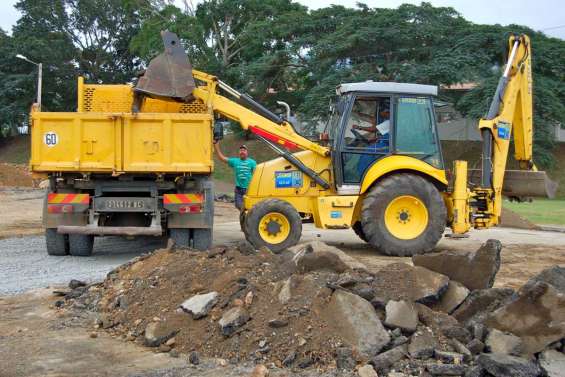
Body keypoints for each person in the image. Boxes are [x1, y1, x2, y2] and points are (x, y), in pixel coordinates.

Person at [213, 141, 257, 210]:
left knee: (249, 207)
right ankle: (245, 213)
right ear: (239, 153)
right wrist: (216, 146)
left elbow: (255, 175)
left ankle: (246, 215)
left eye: (244, 150)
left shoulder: (252, 162)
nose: (242, 152)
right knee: (238, 205)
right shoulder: (235, 161)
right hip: (238, 189)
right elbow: (222, 158)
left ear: (247, 153)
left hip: (248, 189)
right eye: (241, 150)